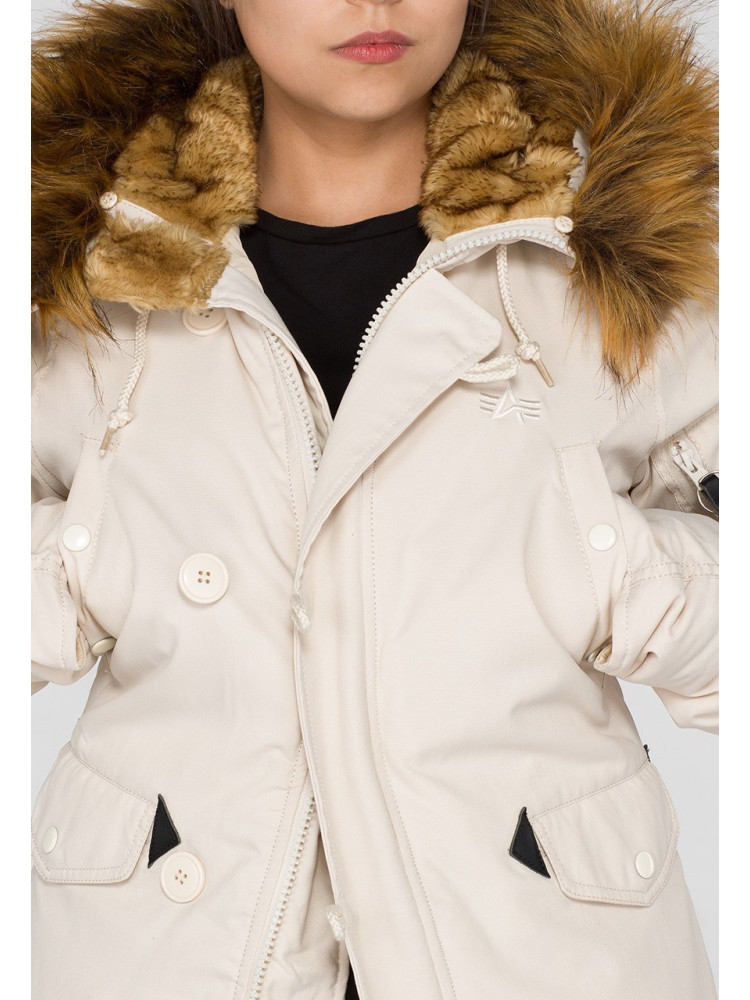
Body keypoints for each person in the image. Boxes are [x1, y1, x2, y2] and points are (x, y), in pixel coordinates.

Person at [31, 0, 718, 998]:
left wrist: (615, 568)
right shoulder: (78, 270)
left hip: (543, 952)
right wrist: (84, 558)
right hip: (170, 950)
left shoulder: (622, 255)